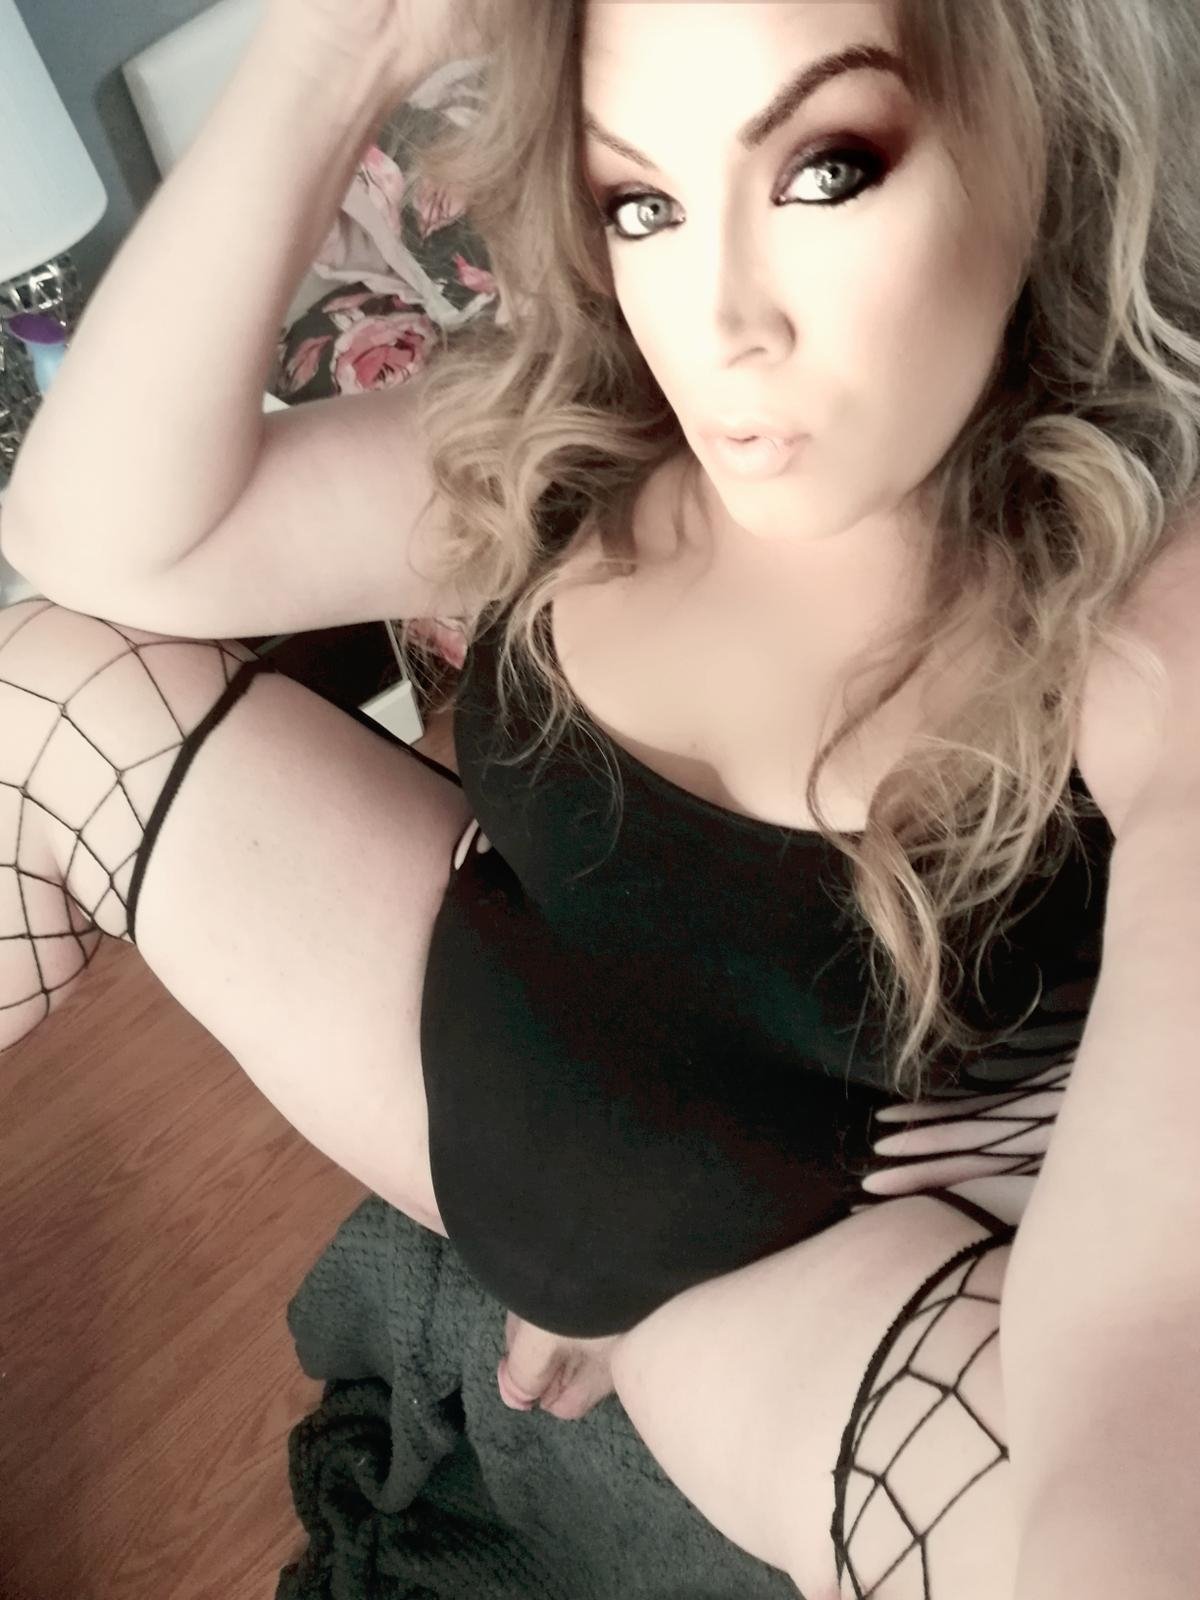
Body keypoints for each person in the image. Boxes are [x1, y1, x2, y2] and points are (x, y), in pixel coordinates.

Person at [3, 1, 1199, 1594]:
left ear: (1054, 130)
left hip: (795, 1275)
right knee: (39, 683)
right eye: (641, 199)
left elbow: (1144, 1369)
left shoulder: (1145, 597)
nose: (720, 323)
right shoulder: (583, 441)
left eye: (827, 170)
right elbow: (93, 544)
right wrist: (332, 51)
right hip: (485, 1058)